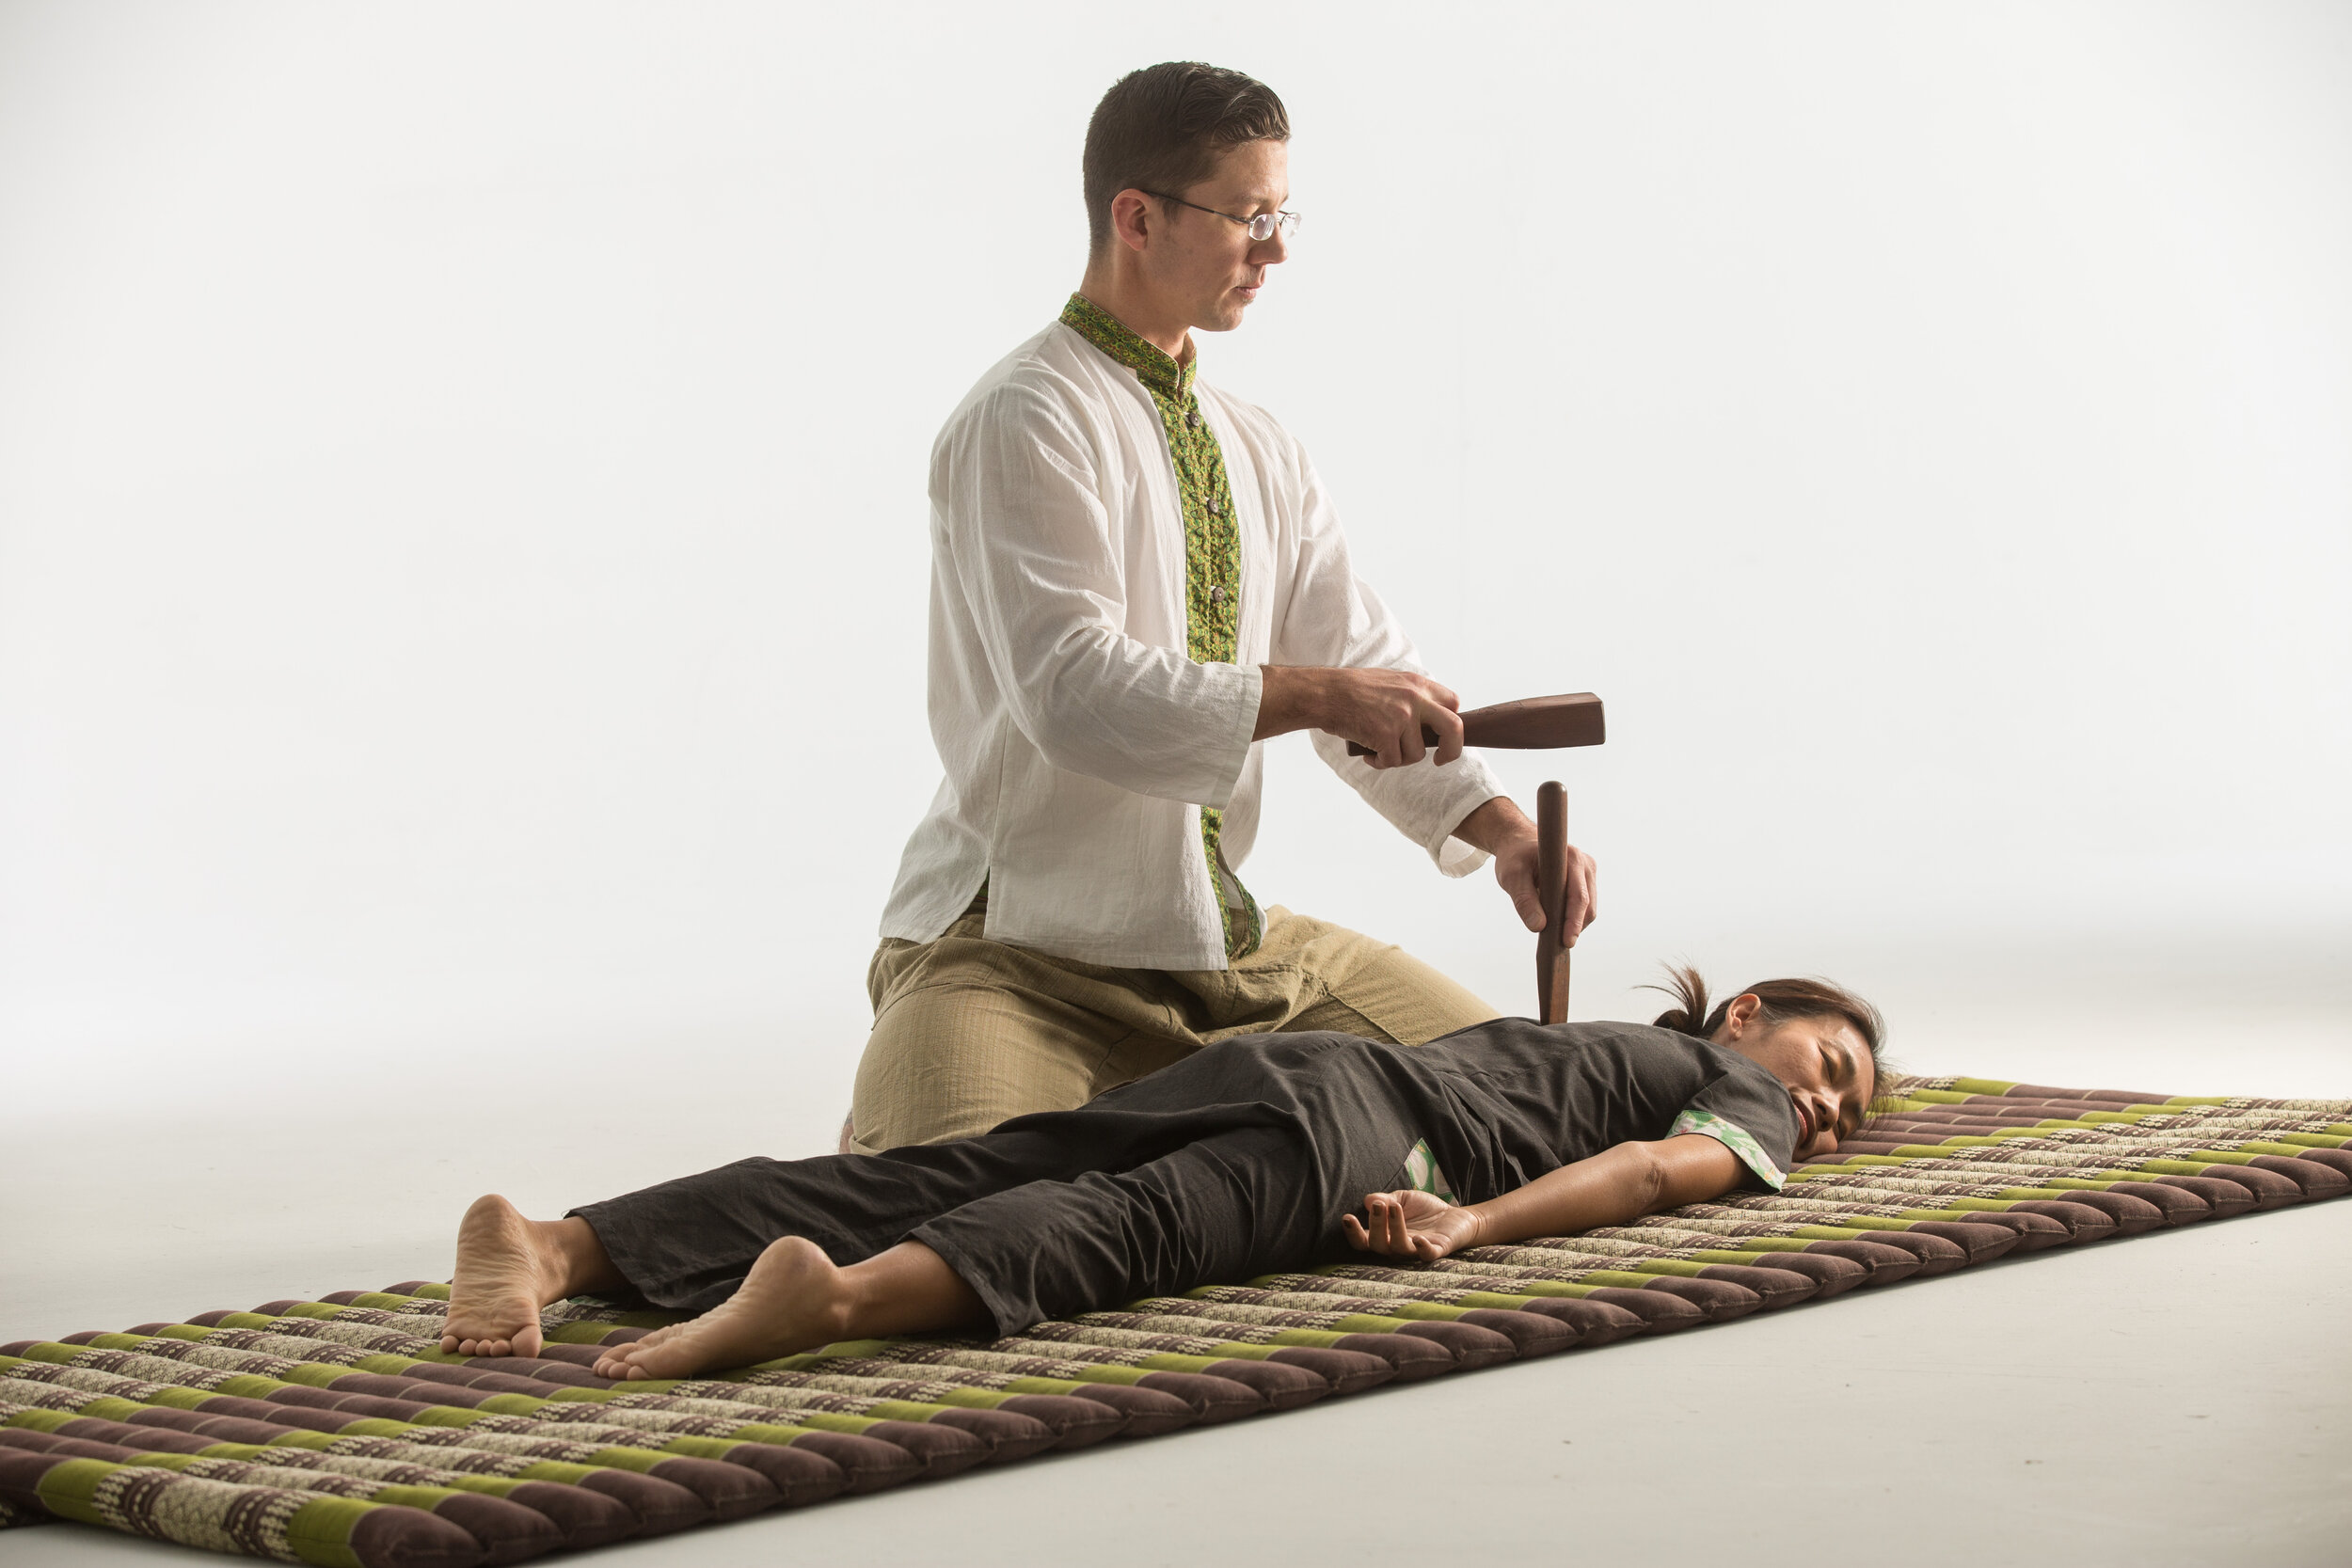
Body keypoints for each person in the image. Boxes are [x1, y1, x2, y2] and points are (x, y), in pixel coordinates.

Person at [848, 60, 1599, 1153]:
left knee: (1526, 1112)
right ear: (1136, 217)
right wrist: (1317, 693)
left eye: (1281, 213)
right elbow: (1073, 692)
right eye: (1250, 216)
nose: (1277, 248)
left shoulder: (1258, 443)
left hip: (1218, 949)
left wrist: (1500, 828)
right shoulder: (1025, 416)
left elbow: (1358, 658)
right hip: (1011, 950)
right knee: (959, 1217)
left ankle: (1165, 1122)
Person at [440, 970, 1883, 1381]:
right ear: (1748, 1014)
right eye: (1832, 1064)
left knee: (978, 1157)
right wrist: (1475, 1216)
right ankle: (830, 1307)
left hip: (1302, 1062)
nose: (1824, 1107)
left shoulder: (1595, 1037)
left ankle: (560, 1243)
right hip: (1381, 1134)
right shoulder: (1727, 1079)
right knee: (1130, 1229)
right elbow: (1652, 1173)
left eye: (1847, 1105)